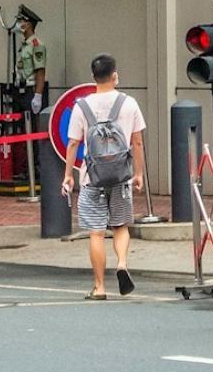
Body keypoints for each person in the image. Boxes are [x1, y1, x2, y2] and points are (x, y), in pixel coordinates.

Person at [61, 54, 145, 301]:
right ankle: (121, 263)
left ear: (93, 77)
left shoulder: (81, 106)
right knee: (120, 226)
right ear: (115, 75)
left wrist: (68, 175)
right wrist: (138, 173)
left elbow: (73, 143)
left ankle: (99, 287)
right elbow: (137, 142)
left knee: (96, 233)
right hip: (120, 177)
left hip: (92, 178)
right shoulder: (129, 103)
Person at [15, 5, 48, 116]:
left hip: (31, 90)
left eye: (20, 20)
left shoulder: (36, 45)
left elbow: (40, 71)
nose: (18, 23)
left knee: (32, 127)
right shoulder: (24, 44)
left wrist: (38, 96)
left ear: (28, 24)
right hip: (21, 89)